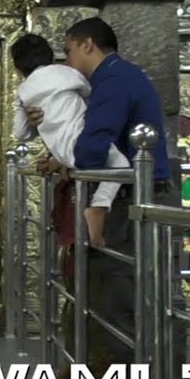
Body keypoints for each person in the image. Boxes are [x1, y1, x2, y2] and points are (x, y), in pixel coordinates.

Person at [26, 18, 184, 379]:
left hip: (129, 200)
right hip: (127, 194)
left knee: (122, 306)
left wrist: (91, 196)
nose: (68, 63)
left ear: (88, 45)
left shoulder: (113, 81)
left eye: (70, 52)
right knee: (110, 303)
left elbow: (93, 146)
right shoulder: (114, 80)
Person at [11, 33, 129, 247]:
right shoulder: (68, 74)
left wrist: (29, 115)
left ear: (18, 69)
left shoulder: (24, 90)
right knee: (120, 165)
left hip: (63, 151)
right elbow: (89, 93)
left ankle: (95, 208)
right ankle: (99, 207)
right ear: (51, 56)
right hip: (84, 142)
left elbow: (21, 134)